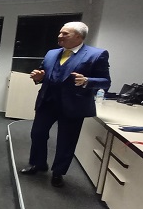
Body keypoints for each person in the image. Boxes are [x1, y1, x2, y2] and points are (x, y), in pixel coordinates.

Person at [21, 22, 111, 187]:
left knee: (66, 141)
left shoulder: (96, 55)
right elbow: (44, 73)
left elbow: (106, 82)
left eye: (65, 34)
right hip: (48, 101)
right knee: (38, 134)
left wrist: (87, 81)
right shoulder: (51, 53)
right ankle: (38, 164)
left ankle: (58, 172)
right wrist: (38, 77)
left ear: (78, 36)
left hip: (74, 104)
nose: (59, 36)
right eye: (60, 33)